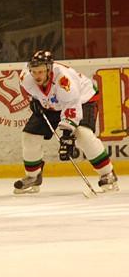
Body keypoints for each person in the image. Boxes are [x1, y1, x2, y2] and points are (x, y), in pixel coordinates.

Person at [13, 50, 118, 193]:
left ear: (49, 69)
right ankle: (33, 177)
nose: (37, 76)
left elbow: (71, 107)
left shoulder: (64, 80)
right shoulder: (26, 77)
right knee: (29, 136)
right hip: (52, 104)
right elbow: (30, 91)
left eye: (41, 72)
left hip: (82, 100)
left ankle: (108, 174)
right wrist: (34, 100)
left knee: (82, 134)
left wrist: (67, 137)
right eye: (34, 72)